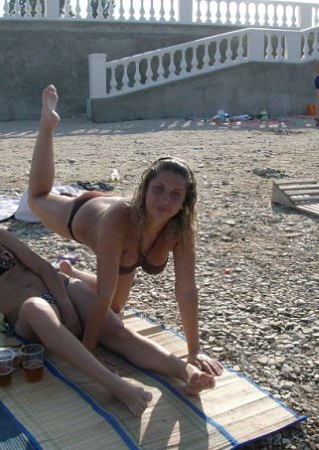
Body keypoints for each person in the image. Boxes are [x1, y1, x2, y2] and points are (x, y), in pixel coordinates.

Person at [0, 197, 216, 416]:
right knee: (35, 307)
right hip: (27, 319)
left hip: (58, 291)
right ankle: (115, 385)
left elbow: (43, 268)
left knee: (116, 331)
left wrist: (66, 304)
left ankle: (185, 371)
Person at [27, 85, 223, 376]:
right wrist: (89, 352)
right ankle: (47, 125)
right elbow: (103, 294)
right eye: (158, 189)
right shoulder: (119, 218)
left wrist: (194, 350)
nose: (165, 200)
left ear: (185, 202)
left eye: (175, 195)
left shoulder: (180, 228)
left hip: (125, 242)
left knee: (117, 308)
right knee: (37, 197)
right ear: (145, 189)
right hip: (82, 216)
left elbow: (186, 289)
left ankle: (71, 272)